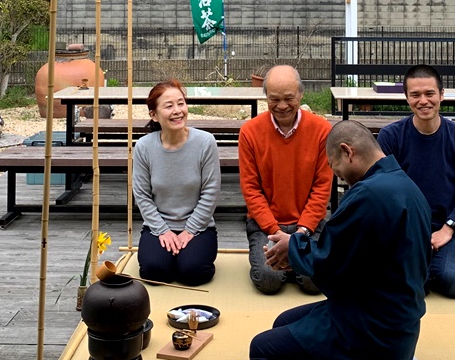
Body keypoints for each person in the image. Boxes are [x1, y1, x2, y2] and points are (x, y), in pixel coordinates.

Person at [249, 120, 432, 360]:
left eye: (335, 167)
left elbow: (330, 262)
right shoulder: (403, 183)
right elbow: (350, 260)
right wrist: (296, 253)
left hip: (371, 328)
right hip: (394, 317)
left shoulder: (368, 194)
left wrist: (292, 249)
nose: (338, 176)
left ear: (348, 152)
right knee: (283, 322)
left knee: (262, 354)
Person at [377, 64, 455, 299]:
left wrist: (449, 228)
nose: (423, 101)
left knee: (454, 284)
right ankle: (418, 268)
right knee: (415, 287)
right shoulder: (391, 136)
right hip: (403, 229)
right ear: (406, 98)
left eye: (429, 94)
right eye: (415, 95)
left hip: (445, 227)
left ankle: (431, 263)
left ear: (442, 95)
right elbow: (379, 188)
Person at [238, 64, 333, 295]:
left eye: (289, 98)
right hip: (267, 226)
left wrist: (299, 235)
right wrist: (277, 234)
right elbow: (251, 190)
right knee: (269, 281)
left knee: (315, 284)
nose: (281, 106)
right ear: (265, 97)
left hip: (308, 226)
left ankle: (294, 262)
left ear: (301, 93)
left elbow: (322, 187)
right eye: (274, 99)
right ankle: (289, 264)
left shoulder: (321, 130)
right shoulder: (250, 132)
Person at [131, 79, 220, 286]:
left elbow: (211, 192)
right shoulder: (144, 147)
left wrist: (189, 231)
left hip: (199, 226)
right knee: (153, 272)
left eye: (181, 103)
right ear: (153, 114)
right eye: (169, 106)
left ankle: (189, 256)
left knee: (193, 272)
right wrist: (163, 231)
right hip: (158, 224)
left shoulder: (205, 142)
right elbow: (142, 196)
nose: (178, 111)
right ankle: (170, 256)